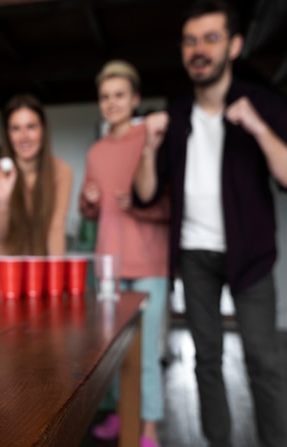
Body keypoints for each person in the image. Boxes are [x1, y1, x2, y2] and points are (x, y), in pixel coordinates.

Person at [133, 1, 287, 446]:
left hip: (252, 255)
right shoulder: (175, 112)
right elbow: (145, 193)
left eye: (211, 38)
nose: (199, 49)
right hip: (193, 255)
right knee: (206, 359)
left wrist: (258, 128)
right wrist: (148, 145)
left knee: (264, 360)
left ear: (234, 45)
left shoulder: (262, 103)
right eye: (191, 40)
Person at [80, 60, 169, 447]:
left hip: (149, 264)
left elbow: (169, 208)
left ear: (135, 98)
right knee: (112, 352)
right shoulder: (96, 151)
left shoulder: (151, 140)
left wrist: (136, 205)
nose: (112, 103)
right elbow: (87, 211)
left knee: (146, 351)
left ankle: (147, 429)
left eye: (120, 95)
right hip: (108, 266)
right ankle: (120, 414)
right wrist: (89, 200)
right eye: (105, 97)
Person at [0, 93, 72, 256]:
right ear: (8, 135)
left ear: (43, 129)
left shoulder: (61, 171)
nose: (24, 136)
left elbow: (56, 227)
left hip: (39, 267)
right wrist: (3, 202)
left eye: (31, 127)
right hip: (2, 268)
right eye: (16, 128)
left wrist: (56, 273)